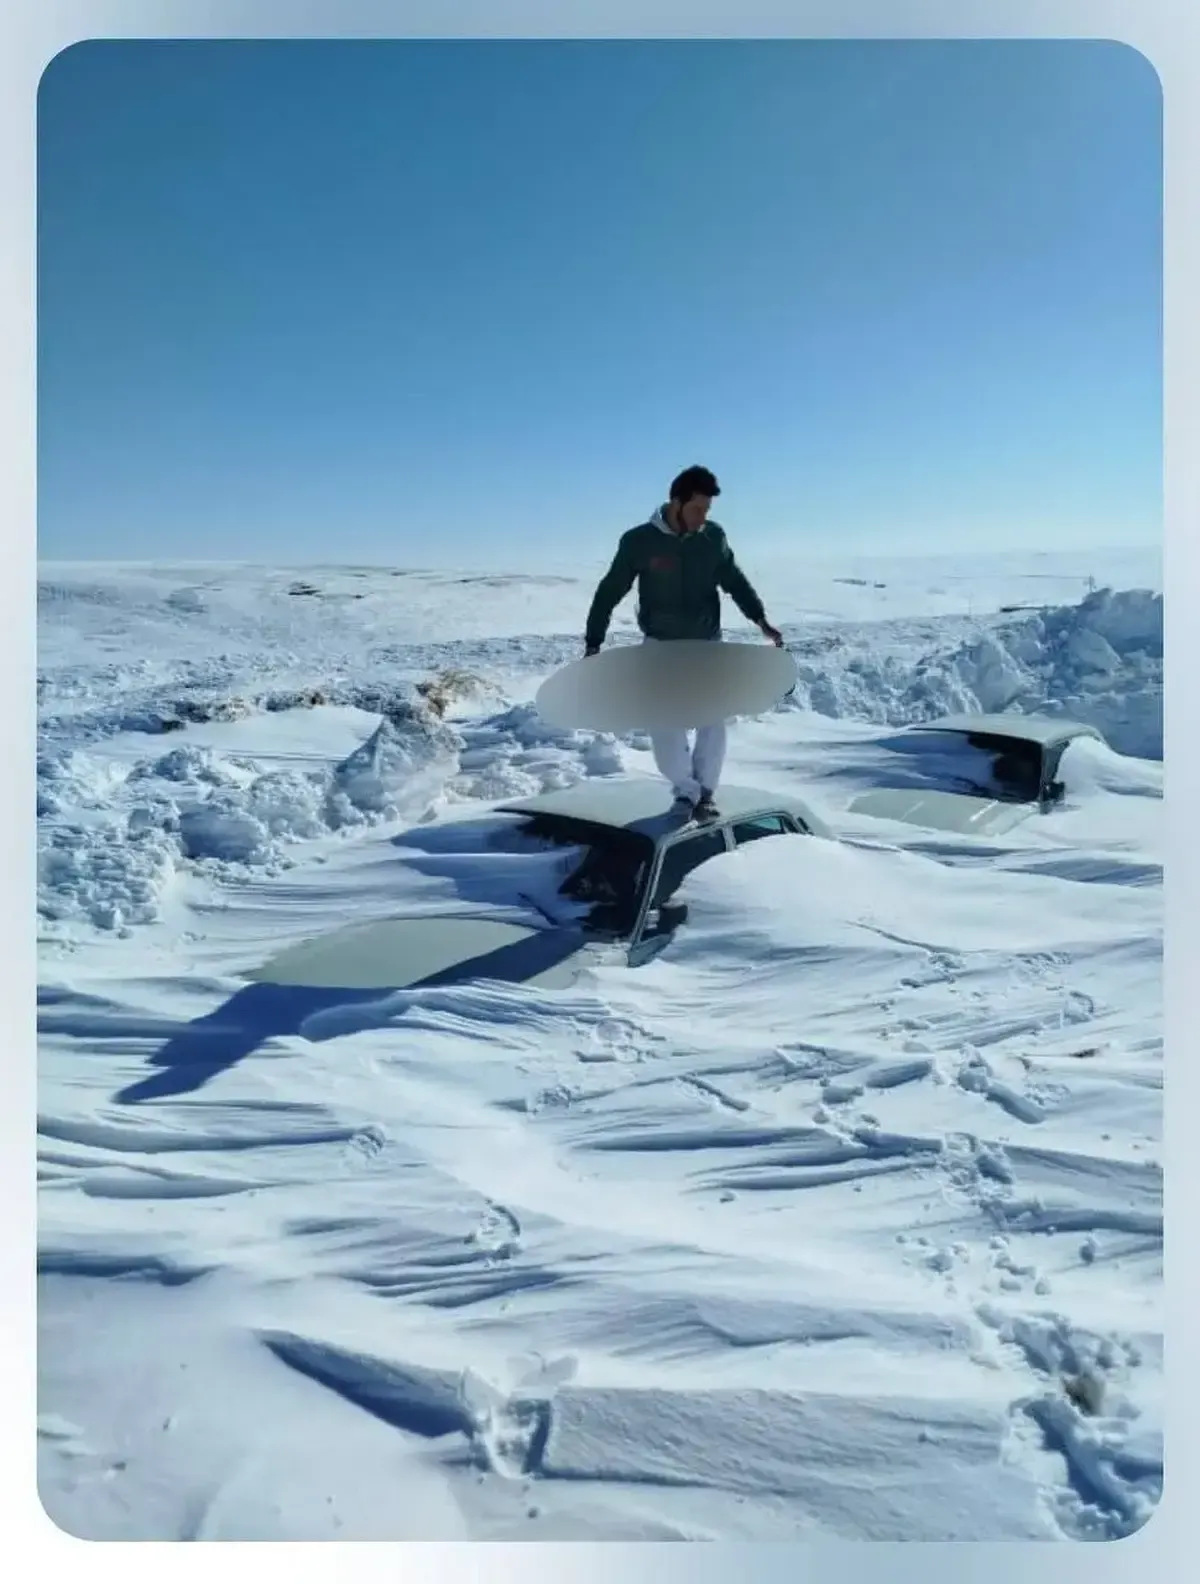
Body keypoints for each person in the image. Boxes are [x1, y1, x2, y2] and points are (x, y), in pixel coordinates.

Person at [583, 465, 783, 821]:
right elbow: (610, 590)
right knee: (664, 725)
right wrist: (593, 643)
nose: (703, 517)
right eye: (697, 509)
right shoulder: (639, 541)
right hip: (661, 647)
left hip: (706, 644)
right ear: (676, 502)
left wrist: (760, 619)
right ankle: (685, 790)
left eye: (707, 510)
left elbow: (734, 580)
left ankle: (706, 793)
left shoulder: (712, 538)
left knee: (712, 721)